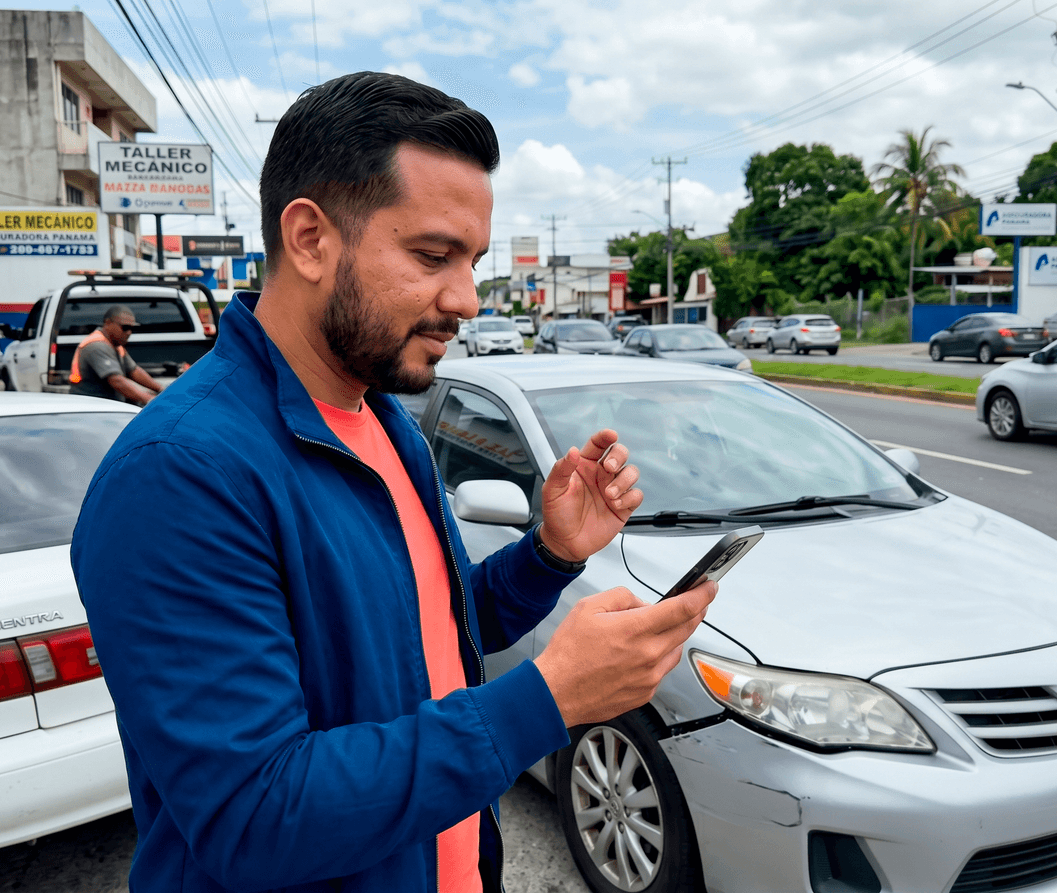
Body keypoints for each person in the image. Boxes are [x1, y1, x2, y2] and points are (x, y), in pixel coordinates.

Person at [71, 71, 716, 893]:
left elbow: (427, 634)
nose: (467, 299)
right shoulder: (179, 475)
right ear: (310, 239)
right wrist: (547, 699)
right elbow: (253, 816)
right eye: (433, 256)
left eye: (472, 261)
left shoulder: (385, 424)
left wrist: (549, 555)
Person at [69, 305, 163, 404]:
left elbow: (134, 371)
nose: (129, 332)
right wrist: (149, 400)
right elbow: (116, 381)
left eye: (132, 328)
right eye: (125, 327)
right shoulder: (96, 345)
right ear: (108, 323)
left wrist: (161, 389)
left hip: (108, 404)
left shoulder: (116, 345)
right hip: (92, 406)